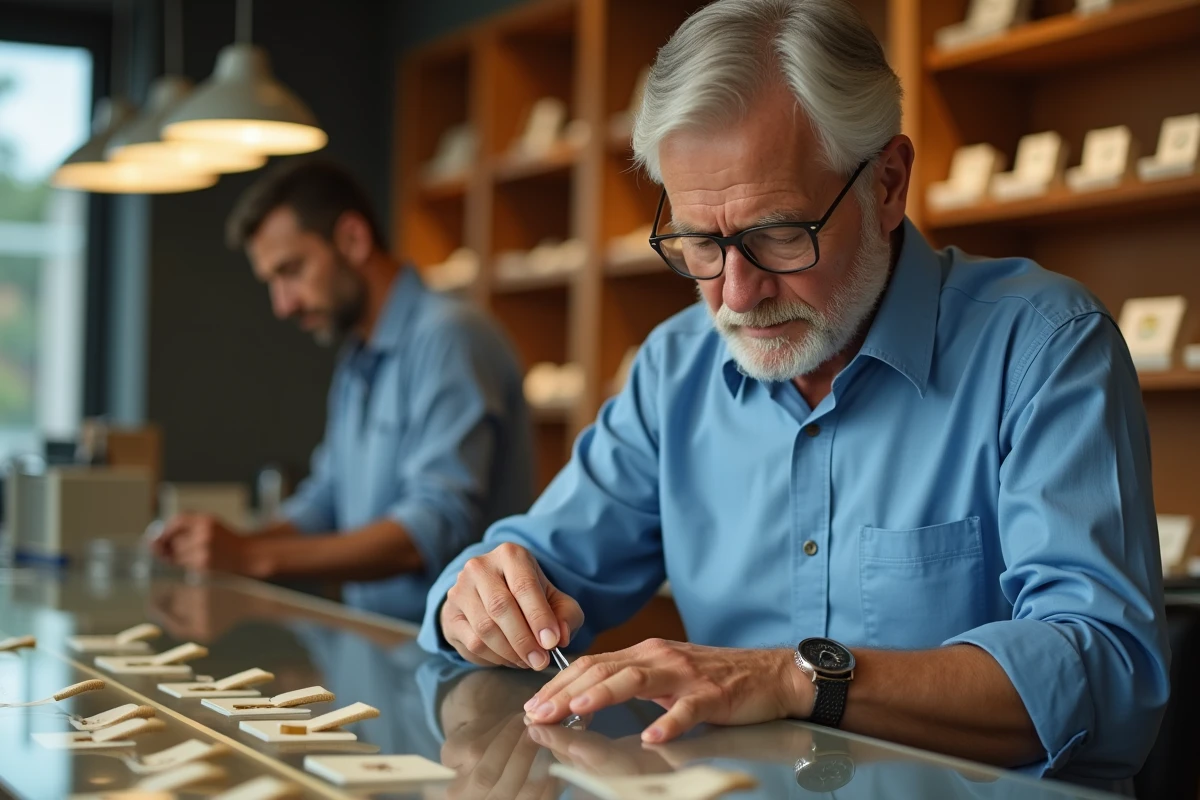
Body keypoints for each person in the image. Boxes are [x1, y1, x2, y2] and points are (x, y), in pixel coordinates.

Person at [417, 0, 1170, 788]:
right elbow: (538, 560)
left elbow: (1106, 668)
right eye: (701, 244)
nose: (736, 296)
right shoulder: (676, 367)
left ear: (887, 182)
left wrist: (795, 678)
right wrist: (476, 598)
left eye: (779, 234)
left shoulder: (1044, 346)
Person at [153, 160, 534, 624]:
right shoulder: (357, 353)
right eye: (271, 282)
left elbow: (430, 529)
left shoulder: (451, 337)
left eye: (291, 270)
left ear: (352, 239)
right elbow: (325, 502)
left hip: (460, 659)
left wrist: (252, 555)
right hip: (379, 645)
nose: (282, 304)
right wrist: (223, 546)